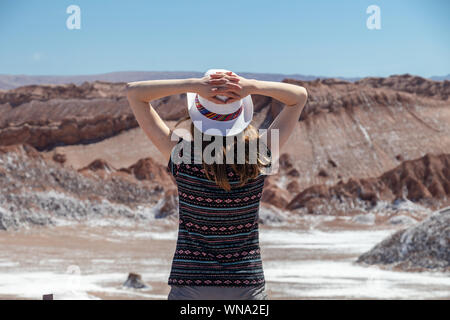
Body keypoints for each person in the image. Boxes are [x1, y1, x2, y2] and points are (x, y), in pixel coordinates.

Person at [126, 68, 308, 300]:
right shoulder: (260, 156)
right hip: (246, 284)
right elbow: (299, 97)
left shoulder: (183, 156)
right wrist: (251, 86)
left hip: (191, 284)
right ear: (242, 115)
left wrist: (193, 85)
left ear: (197, 116)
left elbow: (134, 93)